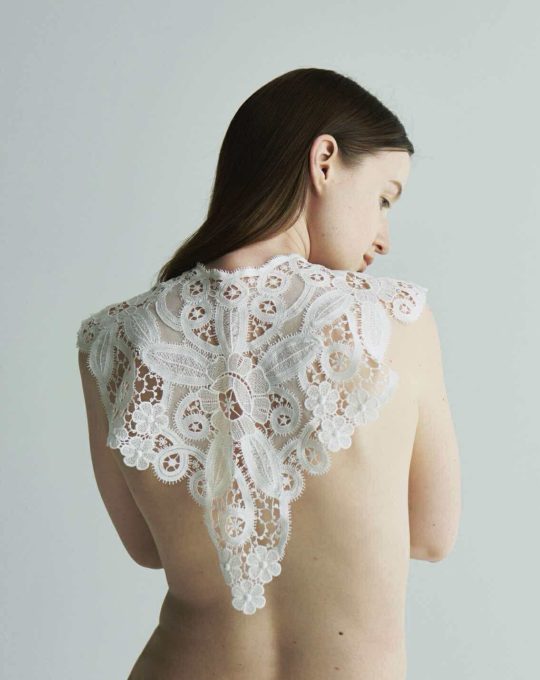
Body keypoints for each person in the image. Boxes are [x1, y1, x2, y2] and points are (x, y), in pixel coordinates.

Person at [76, 67, 461, 680]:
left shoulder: (111, 339)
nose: (384, 236)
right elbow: (433, 534)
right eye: (384, 198)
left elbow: (147, 549)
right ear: (324, 161)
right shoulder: (393, 318)